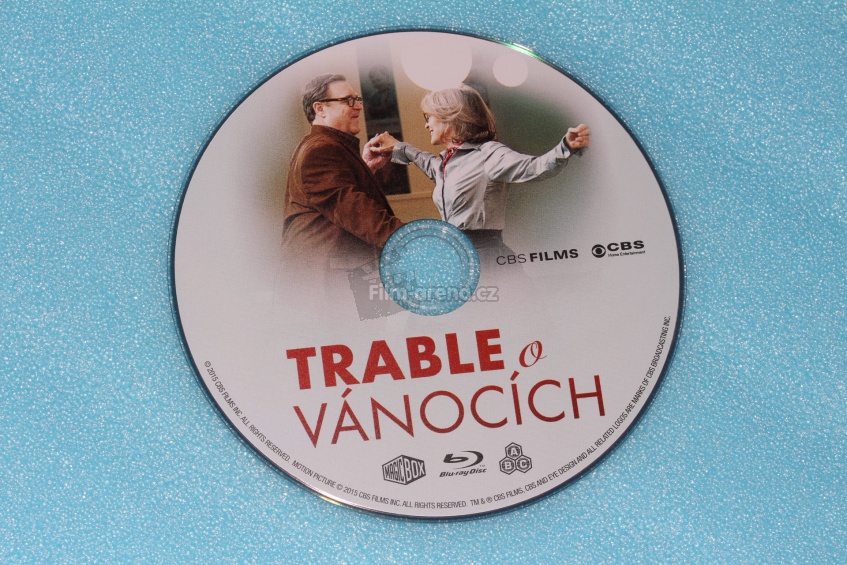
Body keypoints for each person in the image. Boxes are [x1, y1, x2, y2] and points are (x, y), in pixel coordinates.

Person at [370, 84, 590, 262]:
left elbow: (534, 167)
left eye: (429, 118)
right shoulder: (449, 162)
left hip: (485, 256)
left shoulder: (488, 154)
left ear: (449, 117)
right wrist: (398, 147)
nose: (427, 125)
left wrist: (565, 147)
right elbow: (428, 163)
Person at [281, 73, 402, 274]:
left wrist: (366, 168)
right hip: (323, 281)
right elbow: (357, 212)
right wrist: (414, 240)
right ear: (320, 109)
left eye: (357, 99)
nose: (359, 106)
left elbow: (338, 198)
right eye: (348, 100)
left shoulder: (323, 145)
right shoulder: (320, 150)